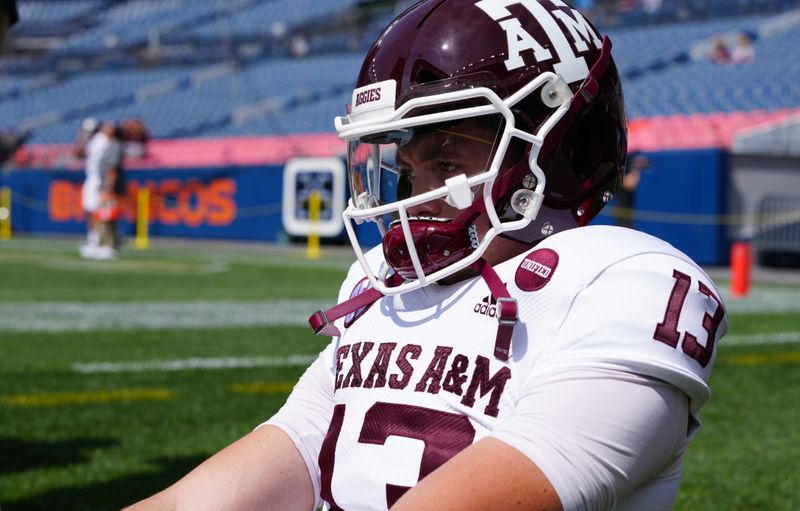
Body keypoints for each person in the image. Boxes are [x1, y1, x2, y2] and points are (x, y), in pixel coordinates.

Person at [126, 1, 728, 510]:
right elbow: (285, 453)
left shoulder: (622, 281)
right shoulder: (389, 286)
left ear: (558, 152)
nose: (418, 198)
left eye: (446, 163)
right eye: (411, 172)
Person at [80, 121, 124, 260]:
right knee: (100, 215)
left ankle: (108, 245)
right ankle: (101, 243)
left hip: (105, 185)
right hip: (102, 184)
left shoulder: (114, 145)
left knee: (106, 216)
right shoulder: (106, 143)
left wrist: (108, 188)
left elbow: (112, 169)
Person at [615, 152, 650, 228]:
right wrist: (635, 168)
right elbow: (628, 184)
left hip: (627, 206)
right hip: (622, 207)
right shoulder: (624, 165)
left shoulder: (630, 162)